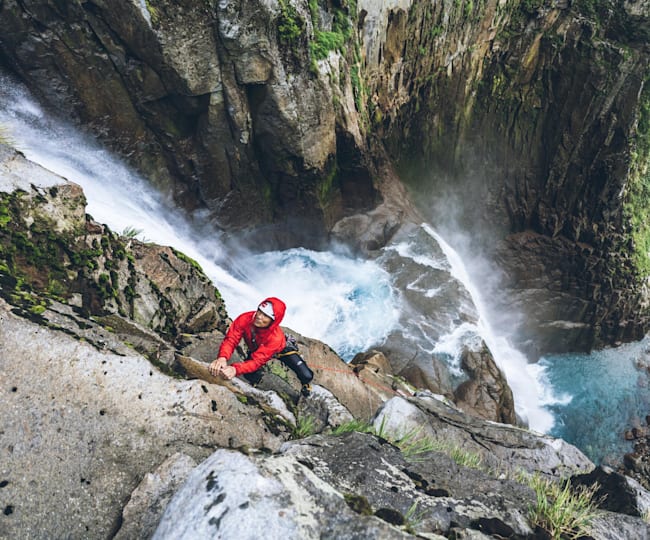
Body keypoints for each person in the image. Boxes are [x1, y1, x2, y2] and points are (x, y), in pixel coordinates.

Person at [209, 297, 313, 395]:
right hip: (258, 348)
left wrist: (235, 369)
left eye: (265, 316)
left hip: (282, 350)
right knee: (249, 374)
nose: (259, 316)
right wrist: (222, 357)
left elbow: (256, 361)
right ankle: (254, 384)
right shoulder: (245, 318)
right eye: (260, 311)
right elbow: (231, 339)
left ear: (273, 321)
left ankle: (306, 384)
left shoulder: (275, 338)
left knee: (307, 375)